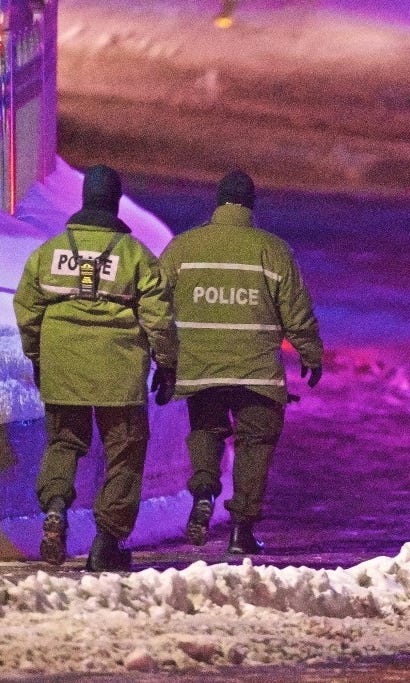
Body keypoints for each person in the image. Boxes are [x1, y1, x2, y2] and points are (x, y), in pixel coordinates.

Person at [13, 164, 178, 571]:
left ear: (84, 198)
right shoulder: (137, 255)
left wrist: (38, 356)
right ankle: (107, 543)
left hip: (63, 367)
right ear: (115, 202)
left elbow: (27, 309)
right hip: (119, 372)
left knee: (64, 443)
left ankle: (54, 507)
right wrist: (167, 364)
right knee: (125, 450)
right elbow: (158, 318)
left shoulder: (48, 253)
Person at [159, 169, 323, 555]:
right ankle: (241, 531)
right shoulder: (273, 250)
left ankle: (203, 492)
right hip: (257, 371)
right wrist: (310, 352)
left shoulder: (183, 248)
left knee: (206, 429)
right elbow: (296, 310)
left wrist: (164, 357)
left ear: (217, 203)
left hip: (201, 366)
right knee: (255, 442)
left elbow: (156, 303)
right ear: (251, 205)